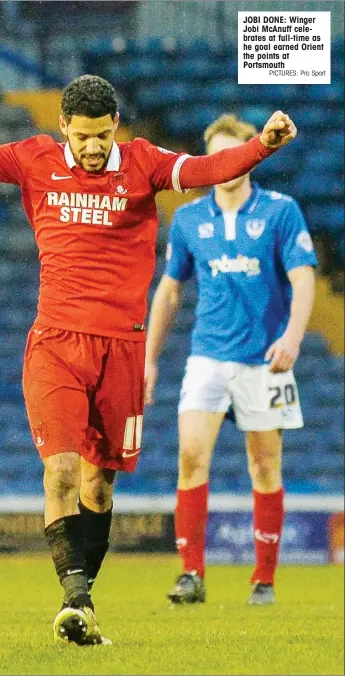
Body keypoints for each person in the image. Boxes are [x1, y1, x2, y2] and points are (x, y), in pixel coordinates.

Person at [0, 75, 297, 645]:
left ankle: (83, 606)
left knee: (99, 488)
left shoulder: (142, 163)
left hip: (122, 347)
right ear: (63, 127)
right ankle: (76, 598)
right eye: (82, 136)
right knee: (62, 471)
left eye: (101, 135)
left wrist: (261, 146)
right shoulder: (34, 158)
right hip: (56, 343)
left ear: (114, 125)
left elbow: (203, 171)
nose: (92, 147)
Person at [145, 113, 317, 607]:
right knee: (190, 457)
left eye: (232, 153)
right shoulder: (189, 219)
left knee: (264, 468)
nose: (226, 164)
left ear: (249, 152)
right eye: (216, 156)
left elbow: (304, 280)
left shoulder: (282, 211)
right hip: (207, 357)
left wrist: (293, 338)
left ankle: (263, 579)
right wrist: (150, 360)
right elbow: (170, 291)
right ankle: (191, 575)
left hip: (265, 359)